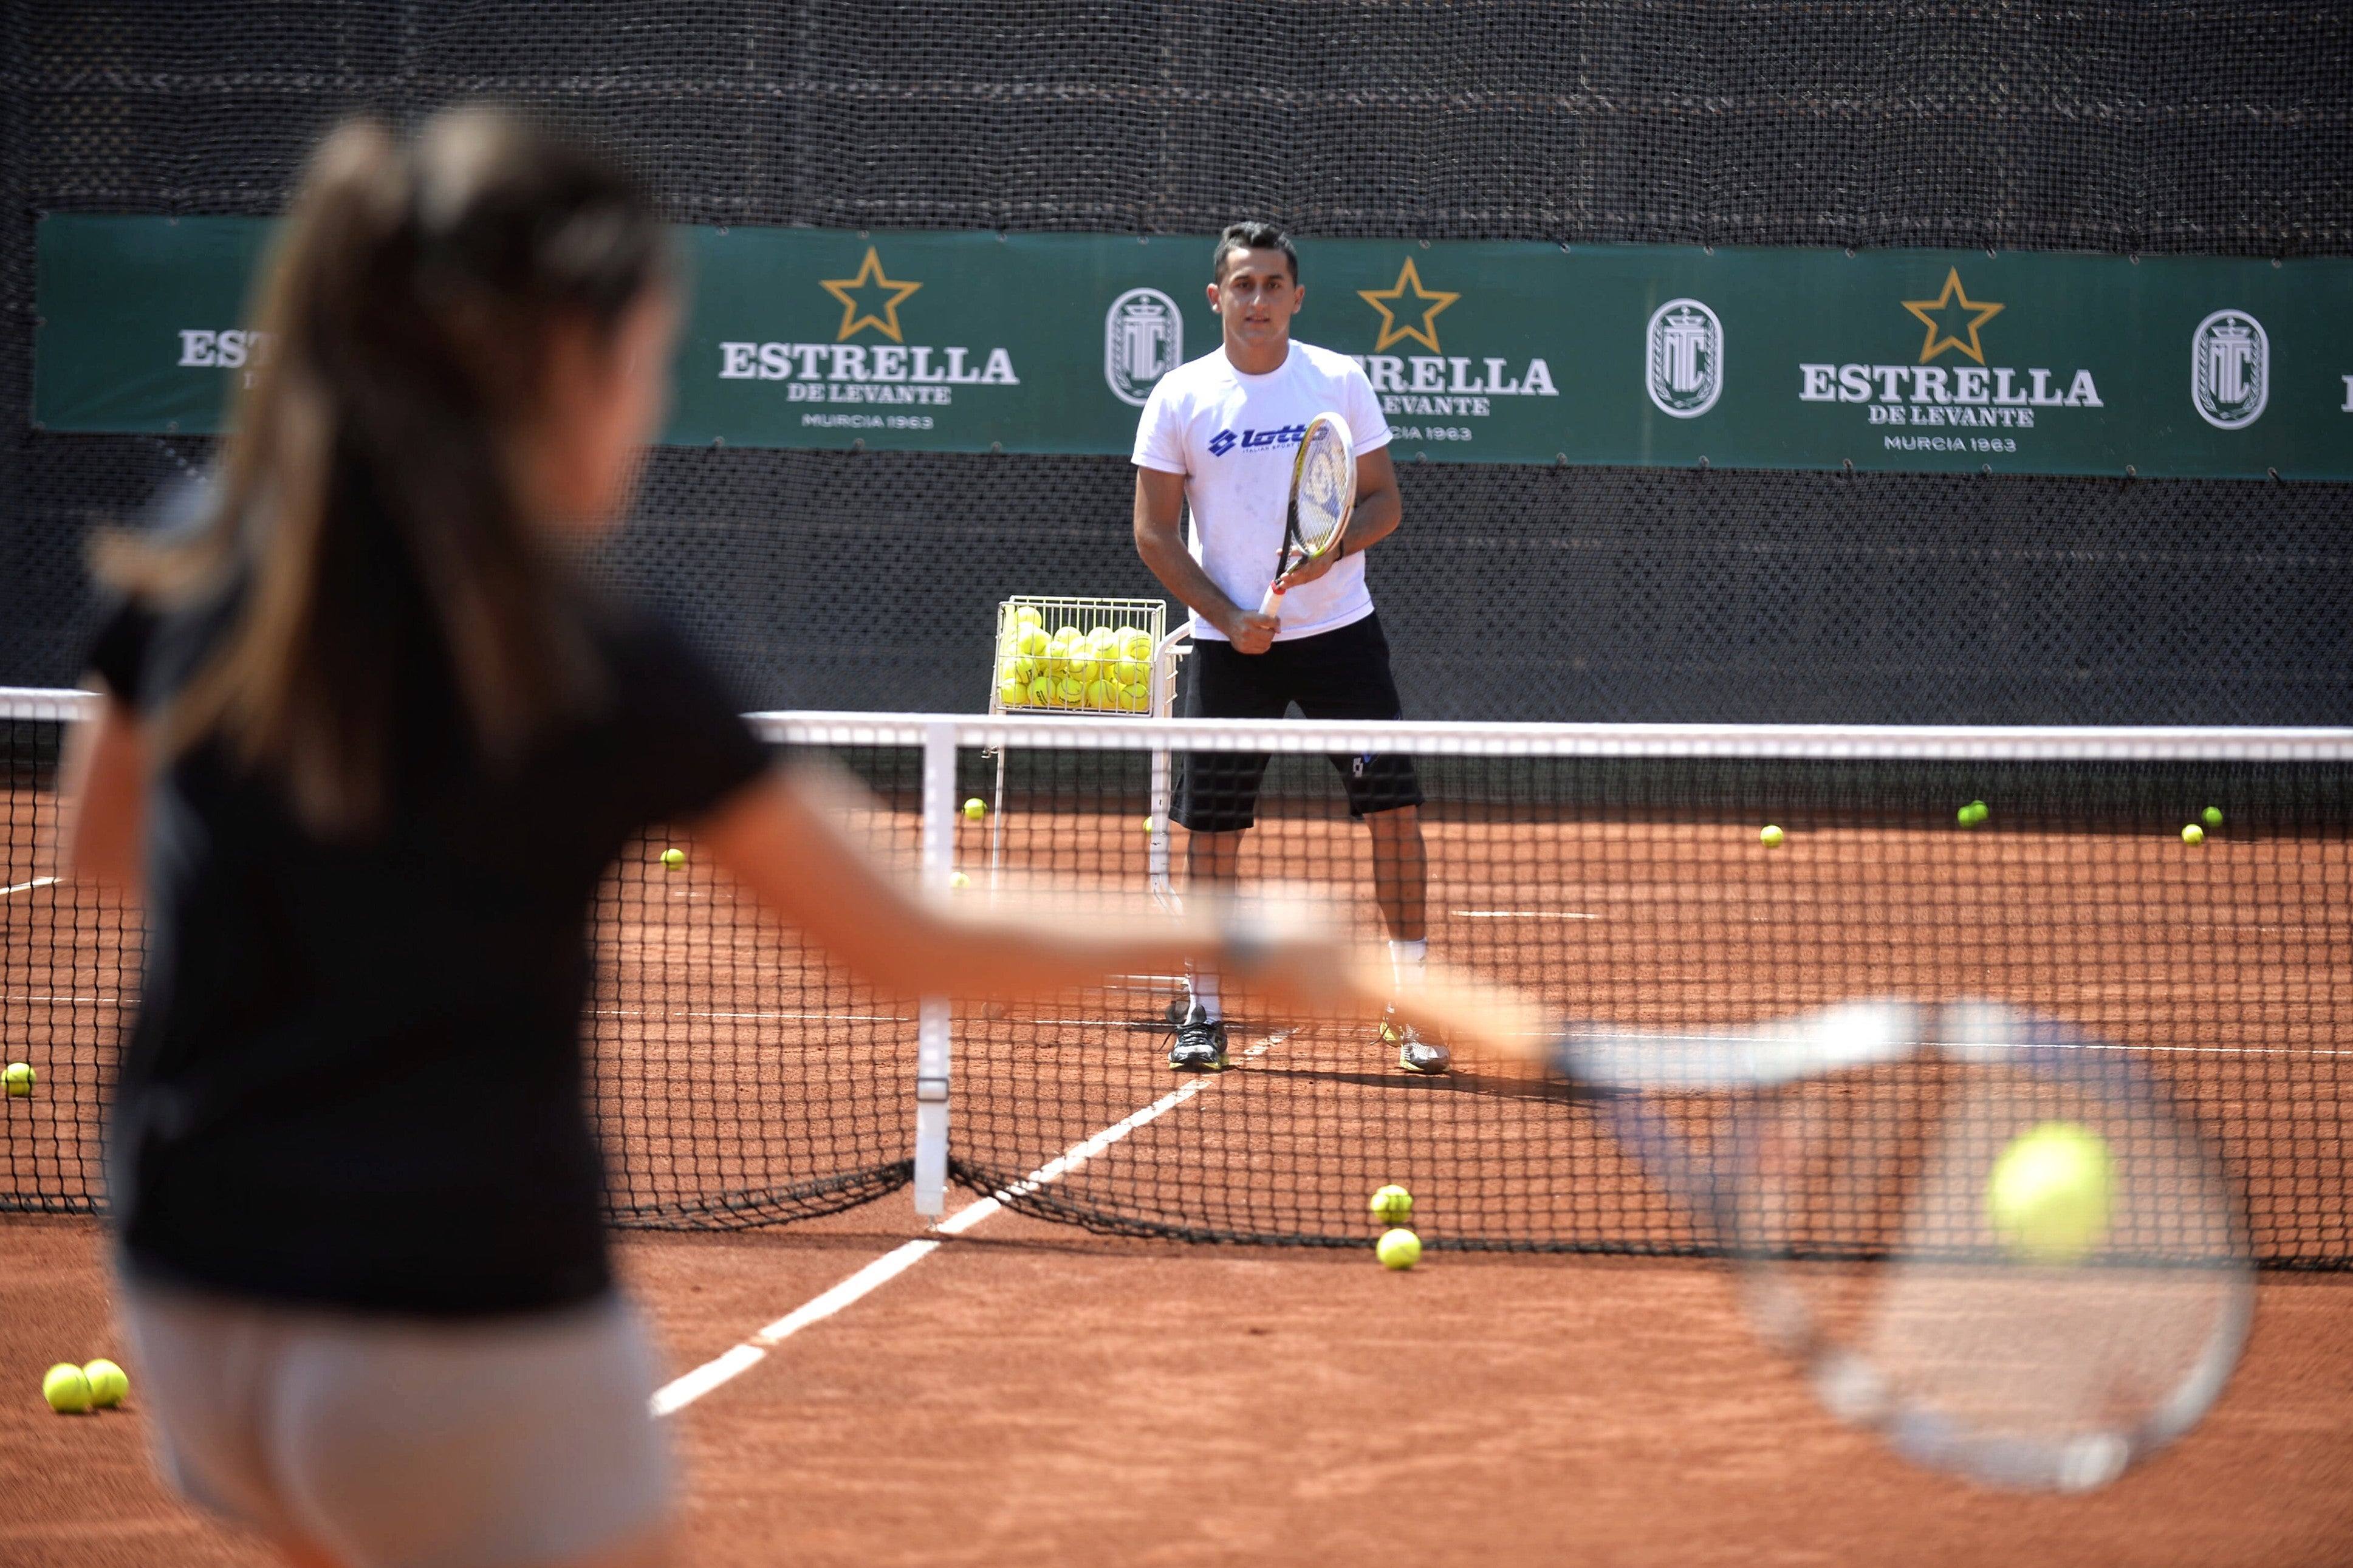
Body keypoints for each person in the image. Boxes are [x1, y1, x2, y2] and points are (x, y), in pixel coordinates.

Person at [65, 114, 1365, 1568]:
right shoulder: (584, 643)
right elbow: (907, 940)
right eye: (645, 363)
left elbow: (103, 846)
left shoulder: (199, 548)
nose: (647, 403)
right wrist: (1231, 930)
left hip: (190, 1293)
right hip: (459, 1320)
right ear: (561, 363)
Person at [1130, 221, 1446, 1077]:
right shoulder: (1180, 397)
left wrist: (1331, 552)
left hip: (1342, 635)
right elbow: (1154, 534)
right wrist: (1229, 617)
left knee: (1393, 814)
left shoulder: (1337, 379)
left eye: (1273, 284)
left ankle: (1410, 1003)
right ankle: (1204, 1008)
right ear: (1216, 296)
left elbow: (1383, 504)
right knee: (1210, 830)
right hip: (1229, 647)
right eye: (1243, 284)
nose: (1258, 299)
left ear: (1295, 296)